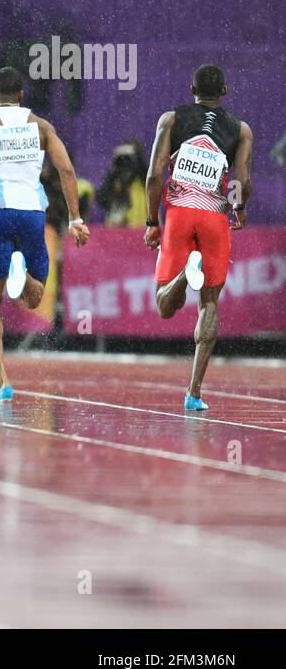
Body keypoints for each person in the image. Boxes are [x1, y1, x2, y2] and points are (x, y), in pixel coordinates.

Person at [0, 67, 89, 402]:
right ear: (22, 96)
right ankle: (21, 276)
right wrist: (75, 218)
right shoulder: (42, 127)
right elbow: (66, 170)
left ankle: (3, 381)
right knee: (35, 298)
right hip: (32, 216)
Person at [143, 64, 253, 412]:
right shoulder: (241, 129)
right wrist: (240, 207)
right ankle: (194, 392)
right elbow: (243, 181)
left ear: (192, 89)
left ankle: (180, 276)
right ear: (225, 90)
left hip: (179, 213)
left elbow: (153, 174)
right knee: (210, 303)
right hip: (214, 218)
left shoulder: (171, 119)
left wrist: (151, 221)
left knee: (165, 306)